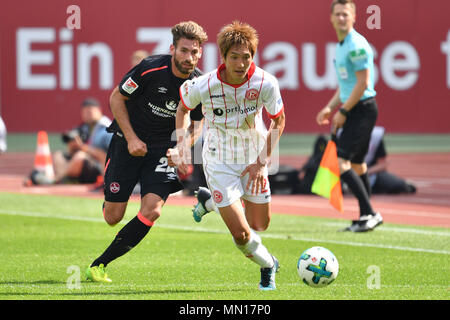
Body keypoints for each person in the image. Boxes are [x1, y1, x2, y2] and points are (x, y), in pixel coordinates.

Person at [85, 21, 207, 283]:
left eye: (195, 52)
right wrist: (131, 139)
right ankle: (110, 197)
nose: (190, 58)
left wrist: (182, 147)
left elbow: (199, 122)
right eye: (184, 51)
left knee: (152, 210)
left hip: (162, 150)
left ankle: (99, 265)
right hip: (128, 143)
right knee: (112, 217)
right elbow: (116, 98)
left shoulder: (199, 83)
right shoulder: (150, 68)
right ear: (172, 49)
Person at [169, 21, 286, 290]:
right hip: (218, 160)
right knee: (243, 233)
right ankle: (268, 265)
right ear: (223, 57)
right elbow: (183, 110)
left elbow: (278, 122)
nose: (241, 63)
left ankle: (211, 203)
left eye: (247, 57)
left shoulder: (266, 83)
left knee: (260, 223)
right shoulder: (203, 84)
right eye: (235, 57)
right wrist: (182, 144)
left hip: (252, 158)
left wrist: (260, 163)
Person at [316, 0, 383, 232]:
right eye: (338, 14)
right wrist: (330, 107)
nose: (342, 18)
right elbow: (347, 85)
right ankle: (366, 215)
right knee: (357, 164)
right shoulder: (342, 45)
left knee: (342, 162)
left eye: (346, 14)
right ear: (332, 18)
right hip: (357, 107)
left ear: (354, 17)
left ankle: (371, 213)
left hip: (362, 109)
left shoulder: (355, 45)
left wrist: (343, 111)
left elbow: (363, 83)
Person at [29, 98, 112, 185]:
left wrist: (82, 147)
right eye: (84, 112)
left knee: (80, 156)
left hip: (101, 166)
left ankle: (55, 181)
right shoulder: (84, 128)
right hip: (87, 164)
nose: (87, 115)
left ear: (99, 111)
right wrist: (73, 147)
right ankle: (66, 179)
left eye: (90, 112)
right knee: (59, 155)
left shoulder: (106, 129)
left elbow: (106, 155)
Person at [363, 126, 417, 194]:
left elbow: (383, 164)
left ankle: (405, 185)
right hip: (349, 173)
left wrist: (366, 172)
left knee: (395, 184)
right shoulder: (347, 135)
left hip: (370, 174)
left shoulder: (375, 138)